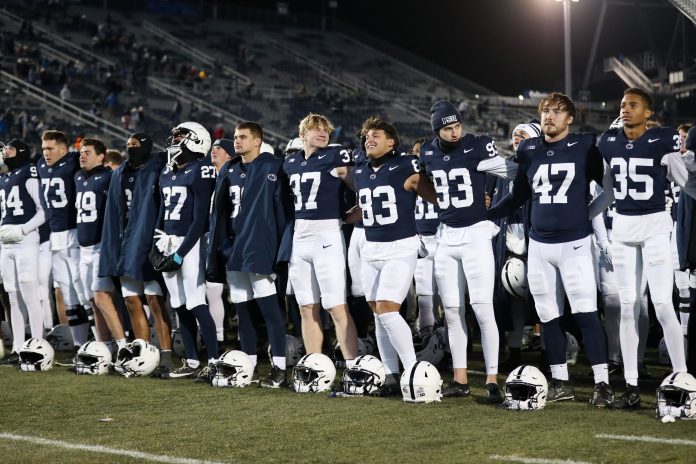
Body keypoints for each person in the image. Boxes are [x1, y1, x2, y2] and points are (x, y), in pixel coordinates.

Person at [489, 92, 615, 408]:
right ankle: (560, 381)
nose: (550, 116)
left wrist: (585, 214)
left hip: (574, 244)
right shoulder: (528, 149)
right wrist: (486, 215)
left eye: (558, 111)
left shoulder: (586, 145)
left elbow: (609, 190)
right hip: (540, 245)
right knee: (548, 317)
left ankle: (602, 384)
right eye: (546, 110)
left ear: (570, 118)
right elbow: (517, 197)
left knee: (586, 314)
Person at [597, 89, 695, 408]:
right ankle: (631, 386)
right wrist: (581, 216)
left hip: (654, 227)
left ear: (648, 112)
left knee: (664, 304)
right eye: (623, 104)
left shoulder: (664, 142)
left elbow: (685, 182)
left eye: (633, 105)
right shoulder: (609, 144)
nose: (625, 109)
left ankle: (682, 378)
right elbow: (609, 193)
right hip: (624, 229)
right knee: (628, 306)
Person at [420, 100, 518, 402]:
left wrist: (494, 198)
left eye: (457, 126)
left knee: (482, 307)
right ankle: (460, 379)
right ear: (437, 129)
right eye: (448, 128)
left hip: (476, 235)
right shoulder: (427, 151)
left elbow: (512, 171)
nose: (455, 132)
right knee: (451, 311)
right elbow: (423, 182)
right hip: (446, 237)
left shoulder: (477, 146)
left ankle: (491, 379)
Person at [351, 116, 437, 396]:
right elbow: (364, 207)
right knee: (378, 314)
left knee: (388, 310)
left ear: (392, 142)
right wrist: (339, 218)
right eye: (366, 136)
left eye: (376, 135)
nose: (369, 139)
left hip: (400, 246)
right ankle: (391, 374)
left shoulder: (405, 165)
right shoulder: (362, 170)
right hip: (371, 246)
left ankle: (414, 372)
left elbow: (434, 195)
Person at [207, 122, 292, 388]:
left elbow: (282, 212)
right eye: (235, 137)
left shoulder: (272, 166)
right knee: (242, 309)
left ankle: (279, 367)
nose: (237, 141)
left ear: (258, 141)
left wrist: (277, 250)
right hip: (234, 248)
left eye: (242, 137)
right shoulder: (230, 170)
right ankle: (249, 364)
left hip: (259, 247)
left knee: (269, 309)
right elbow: (220, 213)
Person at [282, 113, 358, 364]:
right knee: (306, 307)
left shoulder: (336, 155)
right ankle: (315, 365)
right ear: (302, 135)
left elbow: (363, 186)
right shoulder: (290, 162)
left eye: (326, 129)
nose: (323, 132)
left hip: (327, 237)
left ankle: (352, 366)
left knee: (336, 306)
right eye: (316, 129)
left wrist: (353, 214)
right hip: (299, 239)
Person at [99, 132, 174, 376]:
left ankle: (165, 355)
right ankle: (143, 353)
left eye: (136, 145)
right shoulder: (120, 172)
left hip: (147, 240)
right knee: (132, 301)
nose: (131, 148)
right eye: (128, 145)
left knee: (155, 301)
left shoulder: (157, 167)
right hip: (125, 243)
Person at [153, 121, 218, 380]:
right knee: (179, 304)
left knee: (195, 301)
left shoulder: (202, 170)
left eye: (180, 137)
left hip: (191, 242)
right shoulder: (167, 172)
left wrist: (181, 251)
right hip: (167, 240)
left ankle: (213, 360)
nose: (174, 141)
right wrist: (156, 243)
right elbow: (162, 212)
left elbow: (200, 219)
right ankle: (192, 361)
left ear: (196, 140)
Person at [491, 122, 541, 372]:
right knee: (510, 298)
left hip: (536, 236)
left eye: (524, 134)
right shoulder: (506, 164)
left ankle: (548, 350)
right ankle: (514, 351)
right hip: (509, 236)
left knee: (541, 298)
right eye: (515, 134)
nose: (517, 137)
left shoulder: (541, 162)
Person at [37, 130, 93, 350]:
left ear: (62, 148)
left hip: (75, 233)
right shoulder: (41, 165)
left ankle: (102, 343)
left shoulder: (73, 160)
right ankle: (80, 346)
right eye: (43, 148)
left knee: (84, 292)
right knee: (68, 293)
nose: (46, 153)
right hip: (55, 236)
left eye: (50, 148)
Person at [75, 138, 126, 351]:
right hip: (83, 248)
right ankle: (105, 348)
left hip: (100, 248)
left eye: (87, 152)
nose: (82, 155)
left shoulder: (109, 177)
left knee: (102, 297)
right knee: (93, 301)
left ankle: (124, 347)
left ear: (101, 156)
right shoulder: (78, 177)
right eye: (81, 152)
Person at [0, 140, 46, 365]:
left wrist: (23, 229)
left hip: (26, 240)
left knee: (29, 294)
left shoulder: (29, 172)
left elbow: (43, 211)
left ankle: (38, 346)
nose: (5, 152)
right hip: (6, 243)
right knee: (12, 297)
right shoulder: (4, 179)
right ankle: (18, 348)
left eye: (10, 149)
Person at [206, 138, 235, 347]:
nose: (214, 151)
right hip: (212, 241)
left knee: (240, 294)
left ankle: (248, 340)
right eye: (213, 147)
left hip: (232, 242)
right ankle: (218, 339)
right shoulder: (210, 179)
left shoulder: (234, 178)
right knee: (212, 289)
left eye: (220, 148)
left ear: (230, 156)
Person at [411, 137, 440, 336]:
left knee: (449, 297)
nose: (417, 155)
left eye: (420, 152)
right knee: (424, 294)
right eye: (414, 152)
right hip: (420, 240)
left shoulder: (441, 173)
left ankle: (447, 340)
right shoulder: (406, 177)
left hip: (443, 238)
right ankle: (428, 338)